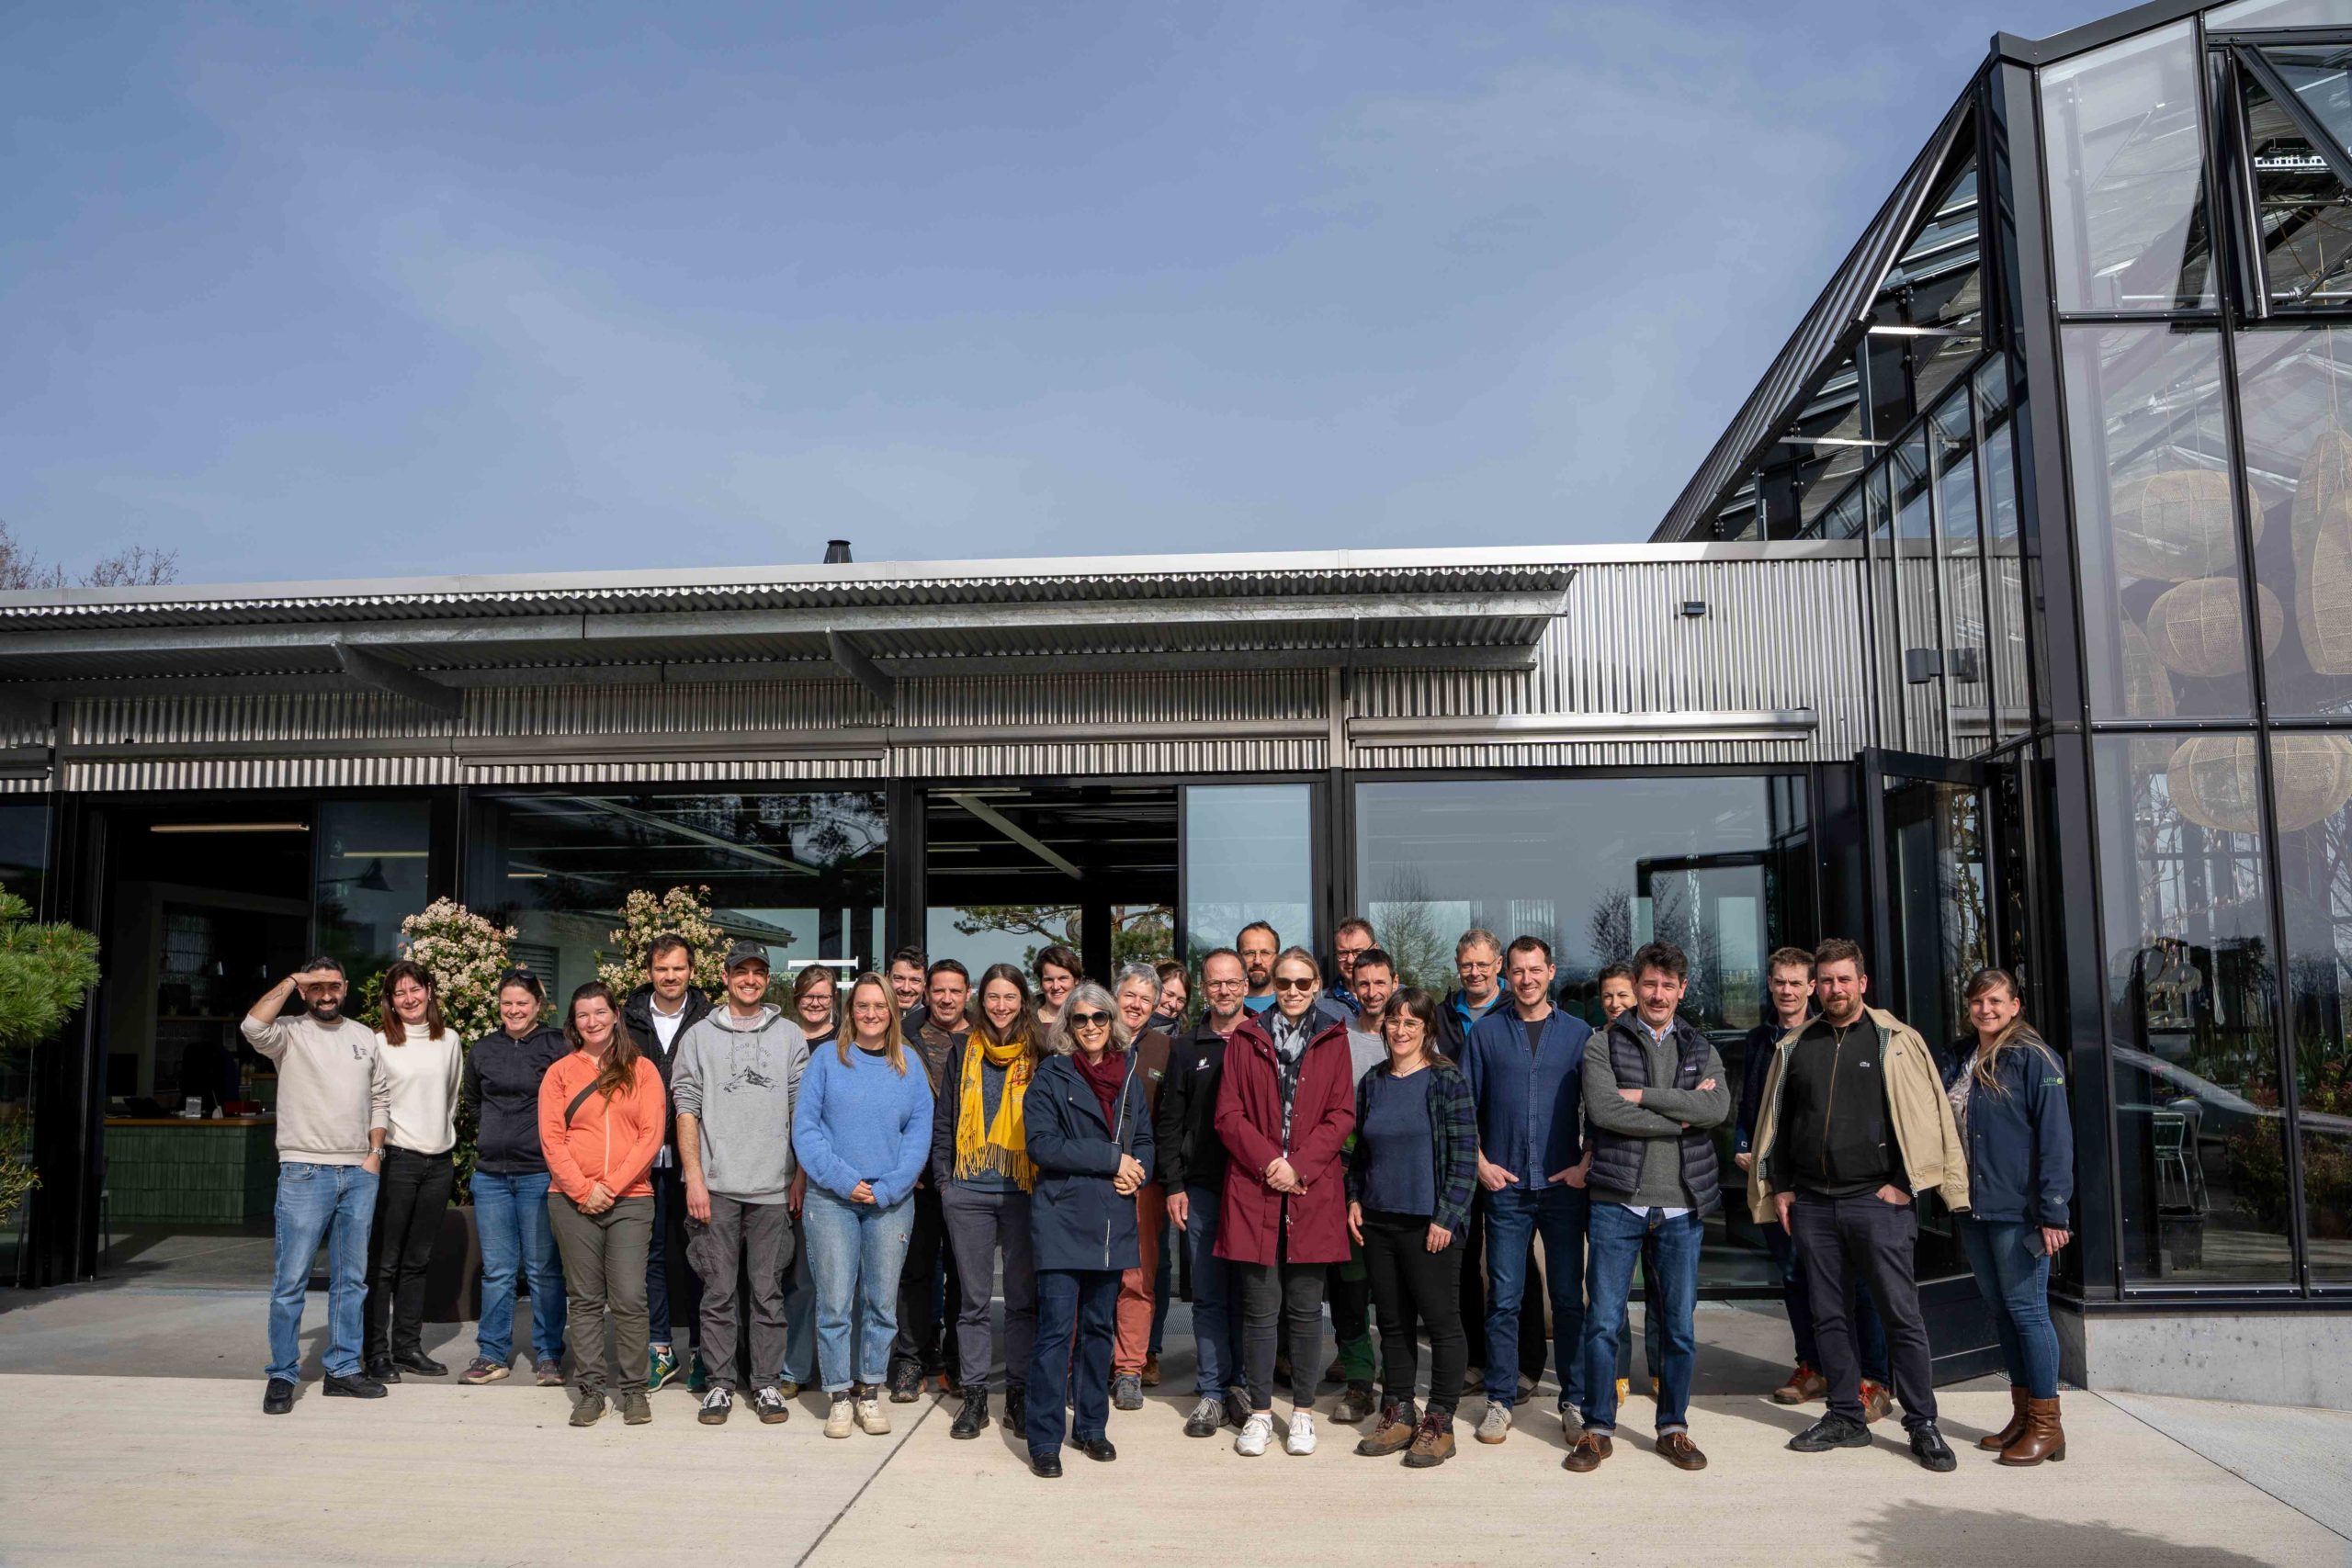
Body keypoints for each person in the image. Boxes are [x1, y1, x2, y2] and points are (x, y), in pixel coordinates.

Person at [1750, 939, 1969, 1473]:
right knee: (1829, 1316)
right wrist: (1782, 1186)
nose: (1835, 989)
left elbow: (1927, 1114)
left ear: (1862, 983)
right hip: (1814, 1205)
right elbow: (1778, 1121)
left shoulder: (1897, 1040)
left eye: (1844, 979)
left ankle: (1922, 1422)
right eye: (1826, 980)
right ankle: (1845, 1415)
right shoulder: (1797, 1044)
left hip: (1879, 1203)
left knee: (1900, 1315)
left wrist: (1904, 1184)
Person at [1567, 941, 1729, 1474]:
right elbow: (1606, 1111)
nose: (1658, 994)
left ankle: (1672, 1427)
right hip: (1618, 1203)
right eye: (1650, 984)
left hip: (1681, 1207)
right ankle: (1597, 1430)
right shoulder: (1603, 1044)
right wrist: (1682, 1118)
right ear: (1636, 986)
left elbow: (1716, 1107)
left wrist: (1642, 1096)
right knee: (1602, 1322)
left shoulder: (1700, 1047)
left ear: (1682, 990)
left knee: (1678, 1326)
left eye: (1668, 985)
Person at [1735, 948, 1892, 1414]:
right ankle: (1813, 1368)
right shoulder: (1760, 1039)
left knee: (1857, 1281)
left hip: (1835, 1182)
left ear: (1811, 988)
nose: (1787, 990)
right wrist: (1743, 1145)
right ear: (1770, 985)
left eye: (1797, 983)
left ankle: (1873, 1378)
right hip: (1778, 1180)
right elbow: (1751, 1105)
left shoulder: (1829, 1036)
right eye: (1779, 982)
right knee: (1794, 1277)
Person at [1216, 946, 1356, 1458]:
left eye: (1302, 983)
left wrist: (1297, 1165)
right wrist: (1269, 1163)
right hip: (1255, 1189)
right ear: (1271, 986)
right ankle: (1258, 1413)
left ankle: (1301, 1412)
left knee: (1304, 1309)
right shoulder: (1245, 1037)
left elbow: (1342, 1115)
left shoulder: (1334, 1037)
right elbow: (1229, 1115)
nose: (1292, 991)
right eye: (1284, 983)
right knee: (1259, 1310)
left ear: (1316, 985)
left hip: (1310, 1188)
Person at [1461, 936, 1595, 1443]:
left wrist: (1585, 1164)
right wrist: (1480, 1165)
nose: (1526, 979)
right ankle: (1499, 1400)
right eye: (1517, 971)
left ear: (1551, 972)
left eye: (1535, 970)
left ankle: (1574, 1401)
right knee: (1504, 1299)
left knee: (1568, 1299)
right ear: (1506, 975)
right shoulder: (1486, 1033)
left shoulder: (1579, 1034)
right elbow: (1463, 1109)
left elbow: (1600, 1109)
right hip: (1508, 1188)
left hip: (1563, 1188)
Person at [1022, 980, 1156, 1477]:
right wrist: (1112, 1158)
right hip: (1062, 1216)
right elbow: (1042, 1145)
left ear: (1112, 1021)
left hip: (1112, 1217)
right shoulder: (1051, 1075)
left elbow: (1145, 1141)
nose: (1091, 1026)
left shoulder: (1129, 1075)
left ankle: (1092, 1427)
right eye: (1080, 1019)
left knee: (1099, 1329)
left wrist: (1139, 1169)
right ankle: (1044, 1439)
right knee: (1056, 1332)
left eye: (1100, 1017)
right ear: (1068, 1026)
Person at [674, 940, 809, 1428]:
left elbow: (802, 1110)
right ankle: (719, 1384)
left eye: (757, 972)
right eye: (741, 972)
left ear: (766, 979)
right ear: (726, 977)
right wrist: (694, 1178)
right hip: (717, 1188)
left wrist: (800, 1175)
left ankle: (767, 1382)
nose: (749, 980)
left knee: (767, 1292)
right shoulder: (698, 1037)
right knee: (718, 1292)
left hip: (774, 1188)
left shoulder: (790, 1036)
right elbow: (686, 1108)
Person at [243, 958, 389, 1414]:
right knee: (291, 1280)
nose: (326, 995)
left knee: (352, 1280)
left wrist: (374, 1154)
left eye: (334, 986)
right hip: (304, 1171)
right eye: (316, 987)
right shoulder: (288, 1033)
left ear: (346, 987)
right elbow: (251, 1025)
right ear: (305, 991)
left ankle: (342, 1370)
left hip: (358, 1172)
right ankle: (283, 1374)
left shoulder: (364, 1036)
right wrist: (291, 980)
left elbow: (380, 1097)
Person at [795, 973, 934, 1438]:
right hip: (832, 1199)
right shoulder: (827, 1060)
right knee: (835, 1302)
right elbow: (806, 1129)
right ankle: (839, 1396)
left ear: (893, 1011)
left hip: (889, 1202)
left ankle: (869, 1390)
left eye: (880, 1006)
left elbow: (918, 1135)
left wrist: (889, 1187)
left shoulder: (909, 1066)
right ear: (850, 1010)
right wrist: (843, 1180)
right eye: (862, 1005)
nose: (871, 1014)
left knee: (880, 1303)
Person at [1947, 968, 2073, 1466]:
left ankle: (2048, 1426)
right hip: (1973, 1205)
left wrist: (2054, 1211)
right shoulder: (1961, 1057)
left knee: (2028, 1311)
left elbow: (2056, 1139)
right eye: (1978, 1001)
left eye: (1996, 1001)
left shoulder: (2034, 1058)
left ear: (2015, 1006)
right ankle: (2022, 1417)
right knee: (2003, 1312)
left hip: (2018, 1211)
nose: (1986, 1010)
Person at [1346, 988, 1476, 1468]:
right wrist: (1353, 1198)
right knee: (1393, 1322)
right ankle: (1399, 1410)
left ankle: (1440, 1421)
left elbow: (1465, 1157)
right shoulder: (1373, 1082)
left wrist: (1447, 1217)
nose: (1400, 1030)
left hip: (1430, 1225)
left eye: (1411, 1023)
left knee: (1441, 1323)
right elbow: (1359, 1152)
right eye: (1394, 1021)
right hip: (1379, 1221)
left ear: (1427, 1030)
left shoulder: (1447, 1080)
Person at [541, 981, 665, 1427]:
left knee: (630, 1296)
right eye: (582, 1015)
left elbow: (651, 1136)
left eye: (599, 1012)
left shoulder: (642, 1070)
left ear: (615, 1015)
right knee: (586, 1299)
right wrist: (583, 1189)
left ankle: (634, 1390)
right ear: (573, 1023)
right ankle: (591, 1389)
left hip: (630, 1199)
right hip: (571, 1201)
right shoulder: (559, 1074)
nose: (592, 1021)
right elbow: (552, 1139)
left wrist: (609, 1186)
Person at [933, 964, 1044, 1439]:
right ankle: (975, 1397)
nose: (1001, 1006)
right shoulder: (963, 1049)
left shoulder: (1041, 1050)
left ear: (1023, 1001)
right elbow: (945, 1119)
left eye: (1010, 997)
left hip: (1023, 1191)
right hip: (968, 1192)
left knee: (1021, 1302)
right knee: (973, 1303)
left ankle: (1017, 1396)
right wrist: (946, 1183)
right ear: (982, 1000)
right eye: (993, 997)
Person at [1156, 947, 1251, 1437]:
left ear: (1246, 985)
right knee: (1210, 1295)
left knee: (1250, 1295)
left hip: (1255, 1190)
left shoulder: (1263, 1038)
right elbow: (1169, 1122)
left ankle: (1243, 1387)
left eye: (1232, 982)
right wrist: (1174, 1184)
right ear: (1205, 987)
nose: (1224, 990)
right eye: (1215, 982)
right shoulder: (1186, 1048)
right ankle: (1212, 1391)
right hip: (1203, 1189)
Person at [459, 965, 569, 1387]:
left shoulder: (556, 1045)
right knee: (498, 1271)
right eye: (507, 1003)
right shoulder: (484, 1049)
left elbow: (571, 1101)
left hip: (539, 1173)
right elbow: (473, 1100)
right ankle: (491, 1354)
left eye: (522, 1002)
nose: (514, 1010)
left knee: (543, 1269)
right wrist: (495, 1133)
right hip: (491, 1177)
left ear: (538, 1005)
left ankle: (549, 1354)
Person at [361, 959, 464, 1383]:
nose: (409, 998)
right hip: (397, 1160)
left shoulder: (449, 1040)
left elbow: (450, 1099)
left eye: (415, 989)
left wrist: (436, 1137)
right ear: (390, 1000)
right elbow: (370, 1103)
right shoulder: (379, 1043)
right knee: (384, 1262)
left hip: (438, 1162)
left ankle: (407, 1347)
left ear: (429, 991)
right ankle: (375, 1352)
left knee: (418, 1261)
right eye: (399, 992)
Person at [622, 933, 712, 1394]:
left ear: (691, 971)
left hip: (695, 1160)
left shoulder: (711, 1019)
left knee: (700, 1256)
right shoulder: (626, 1020)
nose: (671, 976)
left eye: (678, 968)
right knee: (650, 1256)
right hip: (640, 1161)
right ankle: (660, 1349)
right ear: (649, 972)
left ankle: (701, 1350)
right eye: (662, 969)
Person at [889, 956, 971, 1401]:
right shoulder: (902, 1036)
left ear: (967, 994)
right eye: (938, 990)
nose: (946, 998)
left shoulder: (984, 1037)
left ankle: (957, 1363)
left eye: (955, 990)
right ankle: (911, 1359)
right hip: (917, 1177)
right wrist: (904, 1164)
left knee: (964, 1276)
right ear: (926, 993)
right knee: (914, 1273)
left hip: (968, 1176)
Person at [1108, 964, 1174, 1409]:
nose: (1135, 1005)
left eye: (1145, 999)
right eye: (1129, 995)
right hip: (1092, 1176)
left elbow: (1170, 1122)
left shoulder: (1165, 1050)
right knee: (1092, 1277)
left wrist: (1142, 1169)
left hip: (1143, 1183)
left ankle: (1129, 1368)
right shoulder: (1091, 1037)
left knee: (1137, 1278)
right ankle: (1089, 1360)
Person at [779, 963, 839, 1393]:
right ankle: (793, 1368)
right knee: (798, 1279)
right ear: (796, 998)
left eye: (823, 996)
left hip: (827, 1172)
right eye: (808, 996)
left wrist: (805, 1172)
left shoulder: (845, 1044)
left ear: (834, 999)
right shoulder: (781, 1038)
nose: (815, 1003)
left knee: (831, 1280)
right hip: (776, 1170)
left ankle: (838, 1370)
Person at [1328, 918, 1377, 1016]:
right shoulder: (1320, 1005)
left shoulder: (1401, 998)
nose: (1350, 960)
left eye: (1358, 952)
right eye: (1343, 953)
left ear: (1375, 949)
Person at [1237, 921, 1280, 1013]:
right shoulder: (1224, 1007)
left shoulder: (1293, 1005)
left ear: (1277, 958)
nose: (1257, 961)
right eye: (1249, 953)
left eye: (1265, 953)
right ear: (1238, 958)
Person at [1034, 944, 1080, 1029]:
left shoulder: (1089, 1018)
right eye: (1049, 980)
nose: (1056, 987)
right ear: (1041, 983)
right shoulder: (1024, 1020)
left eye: (1063, 978)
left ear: (1076, 980)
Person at [888, 946, 930, 1033]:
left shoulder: (934, 1023)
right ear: (887, 977)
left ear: (925, 983)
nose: (906, 989)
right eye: (899, 978)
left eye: (915, 980)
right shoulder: (872, 1019)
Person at [1150, 960, 1190, 1033]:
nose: (1173, 1005)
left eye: (1181, 1000)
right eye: (1169, 995)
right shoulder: (1129, 1032)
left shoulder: (1185, 1039)